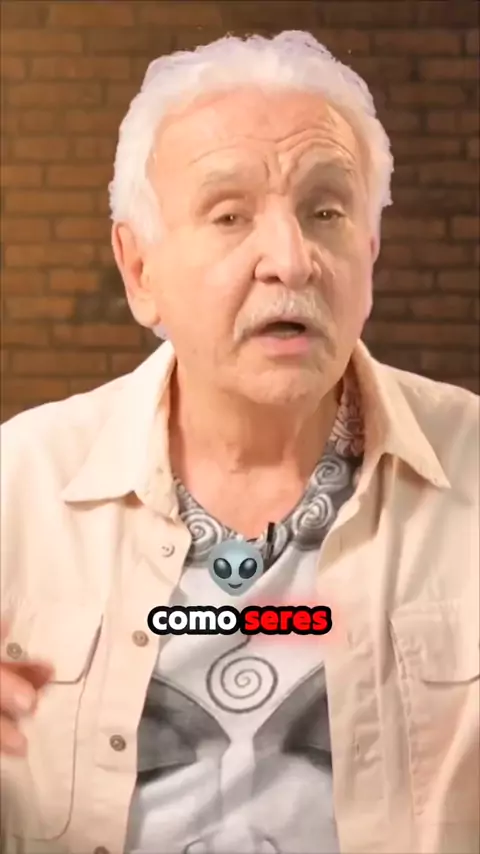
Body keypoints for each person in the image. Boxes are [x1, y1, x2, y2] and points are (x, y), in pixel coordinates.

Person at [0, 30, 478, 854]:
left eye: (327, 212)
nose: (290, 260)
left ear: (369, 253)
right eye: (230, 215)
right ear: (139, 269)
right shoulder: (20, 485)